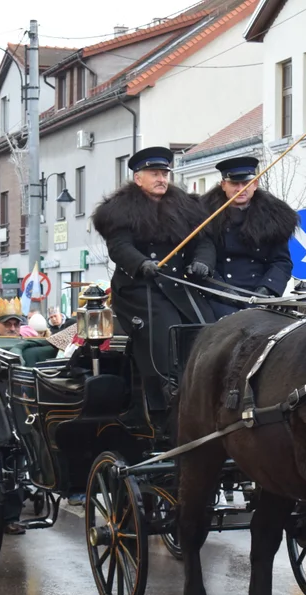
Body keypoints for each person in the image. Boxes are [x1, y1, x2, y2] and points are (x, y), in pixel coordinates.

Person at [92, 145, 215, 414]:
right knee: (164, 332)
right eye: (154, 173)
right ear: (138, 178)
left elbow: (203, 243)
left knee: (208, 326)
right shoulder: (120, 210)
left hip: (178, 286)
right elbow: (120, 247)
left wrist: (202, 263)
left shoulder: (186, 207)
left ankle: (208, 390)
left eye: (164, 173)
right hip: (138, 288)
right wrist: (141, 263)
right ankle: (166, 401)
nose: (161, 178)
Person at [202, 156, 297, 317]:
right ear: (223, 185)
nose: (240, 189)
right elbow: (203, 260)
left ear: (255, 184)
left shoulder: (273, 218)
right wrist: (223, 291)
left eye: (245, 184)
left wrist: (267, 288)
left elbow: (282, 262)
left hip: (261, 296)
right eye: (234, 184)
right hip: (219, 296)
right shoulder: (205, 217)